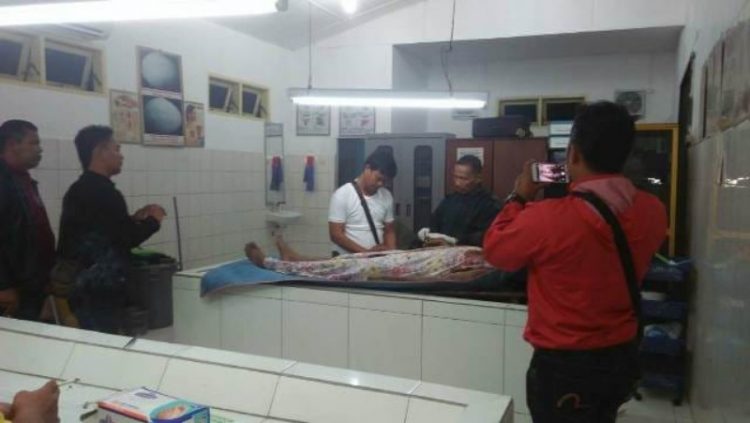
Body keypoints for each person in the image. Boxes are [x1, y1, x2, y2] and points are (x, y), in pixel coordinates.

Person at [483, 101, 667, 423]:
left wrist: (520, 196)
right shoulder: (653, 211)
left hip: (564, 366)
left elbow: (496, 251)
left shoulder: (547, 218)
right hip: (620, 354)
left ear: (573, 154)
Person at [56, 125, 165, 334]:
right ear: (100, 151)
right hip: (98, 288)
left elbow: (105, 231)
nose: (121, 156)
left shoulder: (80, 189)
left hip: (85, 286)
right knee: (100, 341)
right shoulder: (104, 193)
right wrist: (154, 220)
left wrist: (132, 219)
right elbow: (125, 239)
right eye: (116, 149)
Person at [245, 235, 491, 283]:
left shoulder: (486, 265)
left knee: (348, 266)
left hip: (410, 268)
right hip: (408, 257)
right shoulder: (482, 251)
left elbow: (460, 278)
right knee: (352, 259)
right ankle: (295, 259)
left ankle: (274, 264)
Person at [0, 120, 55, 320]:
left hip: (32, 283)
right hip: (12, 288)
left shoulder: (23, 180)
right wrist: (3, 285)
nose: (40, 149)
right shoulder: (3, 181)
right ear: (12, 144)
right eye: (33, 143)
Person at [328, 150, 397, 255]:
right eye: (378, 179)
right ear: (367, 168)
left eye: (384, 181)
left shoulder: (386, 196)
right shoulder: (342, 194)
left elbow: (389, 231)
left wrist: (392, 254)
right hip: (348, 260)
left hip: (376, 260)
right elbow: (336, 235)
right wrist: (366, 254)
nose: (380, 184)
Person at [425, 155, 500, 247]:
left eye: (463, 178)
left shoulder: (489, 205)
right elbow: (434, 223)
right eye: (455, 177)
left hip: (468, 252)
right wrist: (430, 236)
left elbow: (485, 236)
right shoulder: (450, 200)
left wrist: (455, 242)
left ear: (478, 178)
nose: (457, 183)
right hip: (441, 250)